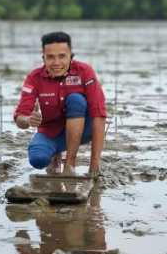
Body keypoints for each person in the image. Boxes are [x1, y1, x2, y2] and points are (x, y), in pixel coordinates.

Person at [14, 32, 106, 175]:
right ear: (43, 58)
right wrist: (28, 120)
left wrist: (95, 163)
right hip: (51, 131)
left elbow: (98, 113)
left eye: (62, 56)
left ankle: (70, 164)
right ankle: (55, 153)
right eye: (50, 57)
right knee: (38, 159)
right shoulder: (34, 78)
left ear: (71, 56)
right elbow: (20, 117)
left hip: (83, 130)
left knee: (76, 99)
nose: (56, 63)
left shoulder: (84, 72)